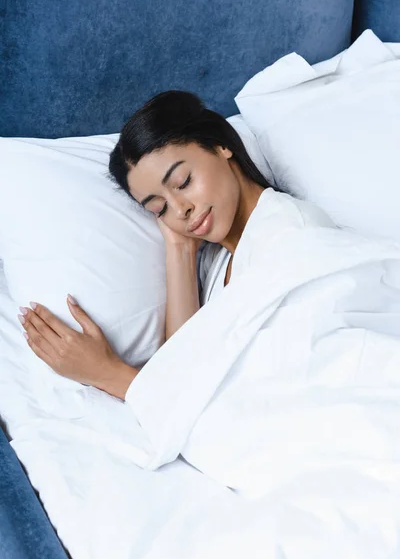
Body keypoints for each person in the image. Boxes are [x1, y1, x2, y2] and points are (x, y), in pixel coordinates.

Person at [17, 90, 334, 400]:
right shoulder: (221, 255)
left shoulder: (293, 235)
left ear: (220, 145)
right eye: (159, 208)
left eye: (183, 182)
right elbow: (183, 366)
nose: (180, 209)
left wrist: (107, 373)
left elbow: (252, 405)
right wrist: (180, 248)